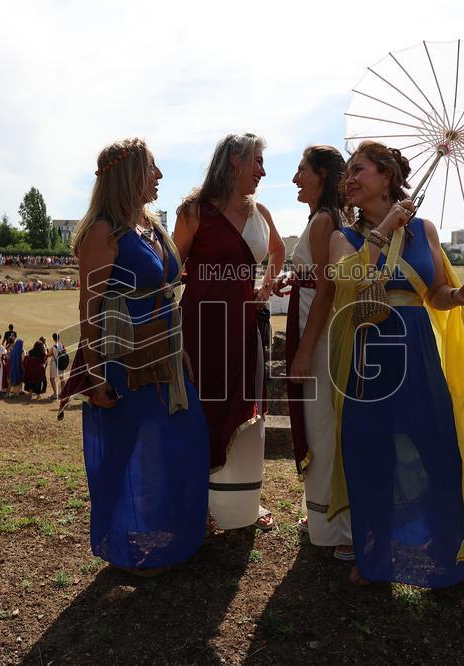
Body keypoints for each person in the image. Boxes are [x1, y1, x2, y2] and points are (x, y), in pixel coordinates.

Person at [326, 141, 464, 590]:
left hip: (418, 351)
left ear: (385, 175)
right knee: (370, 454)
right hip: (373, 355)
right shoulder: (344, 236)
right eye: (347, 174)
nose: (350, 179)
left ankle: (452, 560)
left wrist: (457, 296)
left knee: (440, 452)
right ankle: (373, 558)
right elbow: (347, 277)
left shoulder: (424, 228)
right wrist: (382, 230)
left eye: (359, 169)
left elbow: (435, 291)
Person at [62, 137, 209, 575]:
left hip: (164, 352)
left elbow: (167, 286)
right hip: (124, 360)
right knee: (131, 451)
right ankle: (129, 546)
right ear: (129, 177)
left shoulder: (150, 226)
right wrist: (93, 374)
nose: (159, 177)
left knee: (182, 441)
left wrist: (177, 350)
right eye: (152, 169)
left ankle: (167, 534)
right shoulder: (103, 232)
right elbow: (88, 307)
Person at [174, 132, 285, 531]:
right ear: (234, 160)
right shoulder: (194, 210)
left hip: (244, 325)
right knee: (201, 407)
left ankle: (237, 504)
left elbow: (278, 251)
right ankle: (194, 505)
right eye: (256, 160)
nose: (262, 170)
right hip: (200, 326)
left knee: (243, 408)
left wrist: (266, 287)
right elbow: (171, 270)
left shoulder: (261, 212)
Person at [280, 145, 353, 560]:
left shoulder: (325, 219)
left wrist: (305, 351)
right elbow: (316, 281)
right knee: (319, 422)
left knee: (321, 424)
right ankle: (323, 513)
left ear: (322, 174)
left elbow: (327, 290)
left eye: (302, 170)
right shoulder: (321, 219)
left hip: (319, 336)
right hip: (310, 325)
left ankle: (335, 524)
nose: (295, 178)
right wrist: (296, 283)